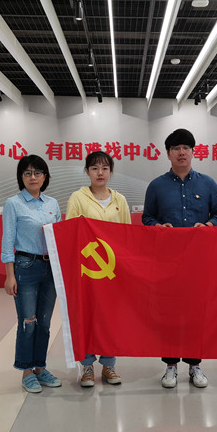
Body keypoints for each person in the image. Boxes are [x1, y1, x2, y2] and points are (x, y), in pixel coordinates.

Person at [143, 128, 217, 389]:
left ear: (193, 152)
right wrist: (158, 227)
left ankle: (194, 365)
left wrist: (208, 226)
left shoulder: (208, 184)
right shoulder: (156, 186)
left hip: (197, 262)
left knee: (195, 313)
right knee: (168, 312)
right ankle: (170, 366)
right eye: (176, 148)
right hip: (166, 261)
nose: (181, 152)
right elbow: (147, 218)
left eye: (186, 148)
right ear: (168, 153)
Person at [66, 150, 131, 387]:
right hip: (88, 271)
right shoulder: (77, 198)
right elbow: (70, 233)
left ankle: (109, 366)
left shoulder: (120, 200)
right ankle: (86, 367)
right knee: (87, 316)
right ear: (87, 171)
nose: (100, 173)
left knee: (111, 318)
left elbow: (128, 235)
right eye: (94, 168)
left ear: (111, 171)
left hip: (113, 271)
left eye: (104, 168)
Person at [1, 155, 62, 394]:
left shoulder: (52, 203)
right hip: (25, 266)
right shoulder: (13, 204)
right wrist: (10, 275)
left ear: (45, 176)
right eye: (27, 173)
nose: (33, 177)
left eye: (37, 172)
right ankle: (26, 371)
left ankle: (40, 367)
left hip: (50, 268)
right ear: (21, 177)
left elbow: (60, 237)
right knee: (28, 322)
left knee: (44, 323)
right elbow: (8, 241)